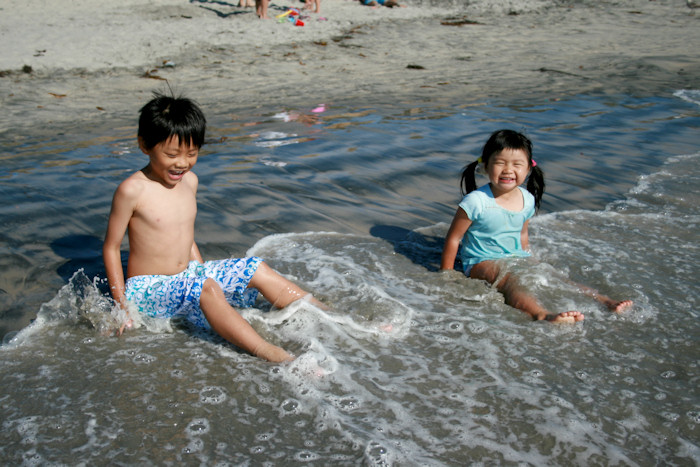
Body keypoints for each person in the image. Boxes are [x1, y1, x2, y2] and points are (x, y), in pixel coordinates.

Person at [103, 93, 322, 362]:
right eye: (172, 154)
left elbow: (185, 234)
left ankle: (326, 313)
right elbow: (112, 248)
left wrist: (200, 270)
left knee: (253, 268)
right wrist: (122, 306)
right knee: (206, 288)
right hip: (148, 289)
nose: (182, 163)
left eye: (192, 153)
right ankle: (270, 352)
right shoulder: (132, 189)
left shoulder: (190, 181)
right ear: (145, 145)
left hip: (188, 275)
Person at [440, 129, 632, 323]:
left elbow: (522, 234)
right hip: (481, 260)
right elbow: (454, 238)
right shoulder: (476, 201)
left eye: (517, 164)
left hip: (516, 257)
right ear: (486, 166)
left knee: (555, 277)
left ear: (528, 169)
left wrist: (529, 259)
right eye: (500, 163)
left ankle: (606, 301)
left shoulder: (527, 199)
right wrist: (447, 274)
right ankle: (541, 314)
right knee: (509, 280)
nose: (508, 170)